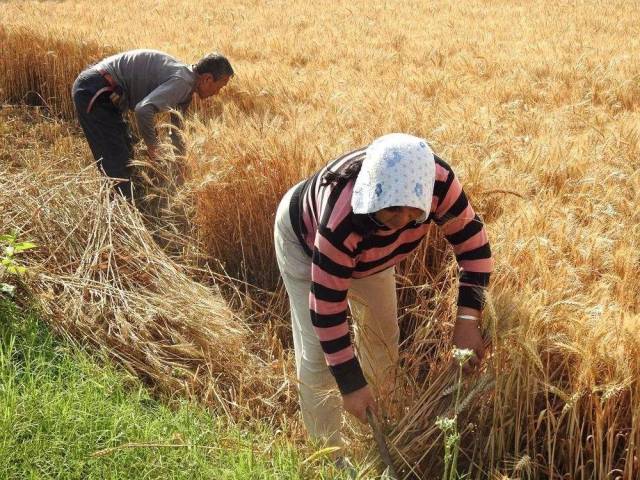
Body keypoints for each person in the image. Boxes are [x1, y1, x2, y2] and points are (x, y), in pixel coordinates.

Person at [273, 133, 493, 453]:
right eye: (391, 210)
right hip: (304, 241)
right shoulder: (342, 220)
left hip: (372, 258)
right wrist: (350, 383)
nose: (402, 222)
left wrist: (468, 319)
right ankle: (328, 453)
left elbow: (474, 245)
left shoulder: (439, 185)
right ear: (372, 194)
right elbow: (326, 308)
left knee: (382, 337)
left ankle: (380, 426)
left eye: (413, 212)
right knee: (319, 356)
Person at [72, 49, 233, 199]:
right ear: (207, 79)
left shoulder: (186, 87)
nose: (218, 93)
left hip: (105, 91)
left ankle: (121, 209)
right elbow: (143, 110)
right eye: (221, 85)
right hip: (95, 89)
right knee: (117, 162)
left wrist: (180, 162)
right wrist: (153, 147)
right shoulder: (182, 82)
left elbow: (176, 130)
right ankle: (118, 220)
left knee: (126, 154)